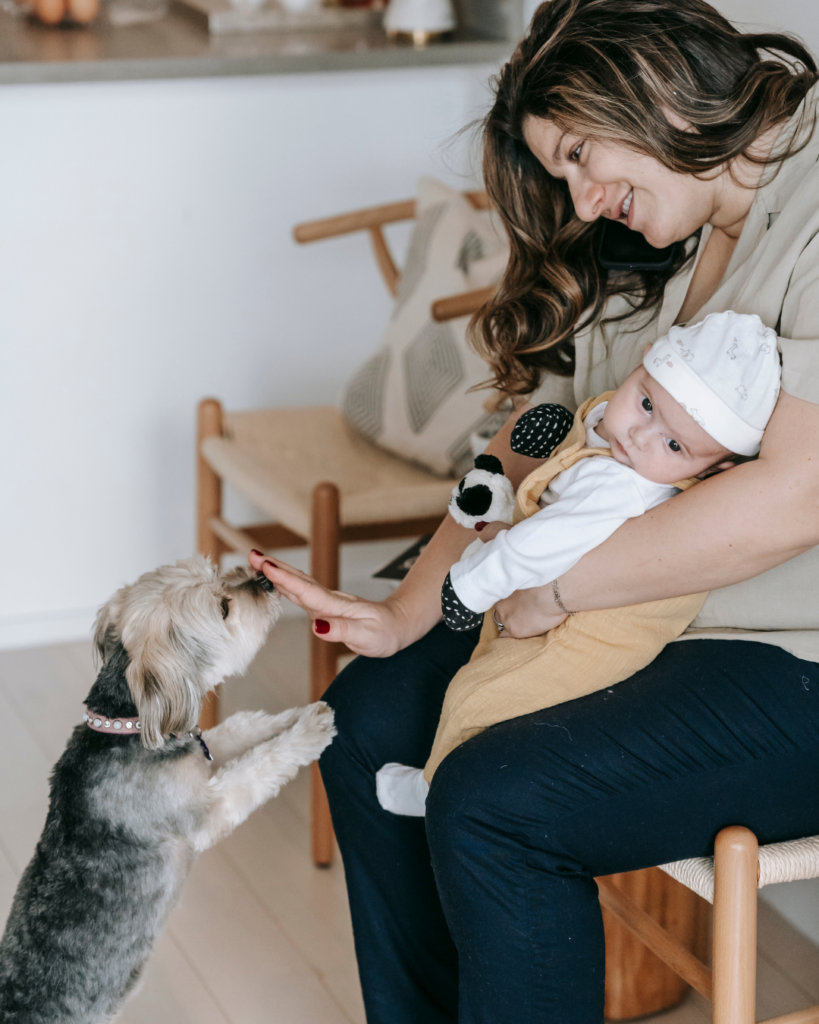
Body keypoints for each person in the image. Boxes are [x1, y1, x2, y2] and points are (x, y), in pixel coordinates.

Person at [250, 1, 819, 1021]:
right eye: (562, 177)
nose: (586, 197)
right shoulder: (653, 243)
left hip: (792, 655)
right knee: (364, 722)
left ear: (649, 79)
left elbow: (797, 495)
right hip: (608, 610)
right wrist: (415, 606)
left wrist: (555, 585)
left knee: (495, 803)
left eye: (582, 153)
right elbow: (535, 434)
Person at [376, 311, 781, 817]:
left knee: (477, 695)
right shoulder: (614, 431)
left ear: (715, 470)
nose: (639, 436)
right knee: (472, 665)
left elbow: (539, 543)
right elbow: (551, 495)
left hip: (585, 637)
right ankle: (488, 505)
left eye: (674, 445)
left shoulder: (628, 484)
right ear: (641, 365)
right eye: (646, 403)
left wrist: (468, 587)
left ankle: (432, 789)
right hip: (543, 595)